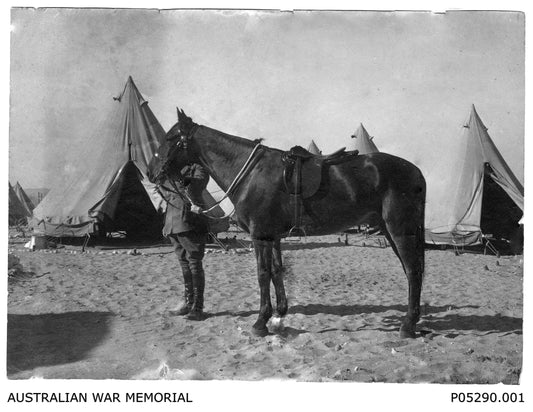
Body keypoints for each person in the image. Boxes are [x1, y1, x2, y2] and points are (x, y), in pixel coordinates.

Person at [160, 162, 210, 321]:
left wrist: (178, 175)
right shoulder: (169, 169)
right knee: (184, 263)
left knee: (194, 261)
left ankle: (198, 307)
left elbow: (196, 185)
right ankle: (188, 302)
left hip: (189, 221)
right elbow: (164, 190)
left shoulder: (198, 167)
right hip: (172, 222)